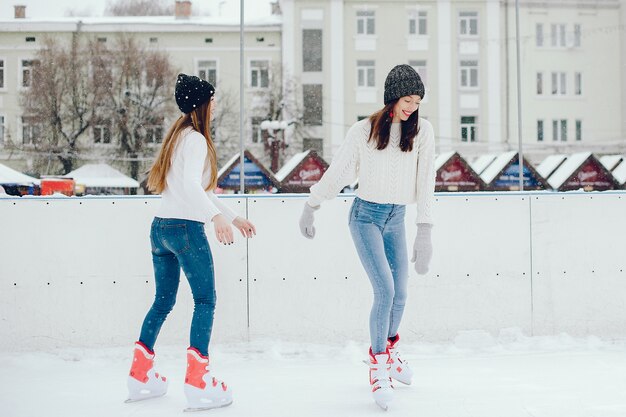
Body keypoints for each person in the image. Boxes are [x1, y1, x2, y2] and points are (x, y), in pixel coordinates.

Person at [298, 64, 435, 410]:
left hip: (397, 218)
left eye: (417, 101)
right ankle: (377, 366)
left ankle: (388, 350)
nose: (412, 107)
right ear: (392, 97)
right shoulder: (364, 131)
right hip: (366, 218)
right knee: (385, 290)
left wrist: (424, 230)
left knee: (401, 293)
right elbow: (340, 170)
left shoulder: (422, 132)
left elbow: (426, 181)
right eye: (408, 99)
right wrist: (312, 204)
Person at [126, 73, 256, 411]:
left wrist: (234, 216)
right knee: (205, 301)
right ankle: (198, 381)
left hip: (161, 228)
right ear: (203, 103)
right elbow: (190, 185)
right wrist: (214, 218)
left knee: (163, 302)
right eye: (212, 100)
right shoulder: (196, 139)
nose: (215, 106)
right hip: (185, 229)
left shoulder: (179, 136)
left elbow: (203, 189)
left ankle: (140, 374)